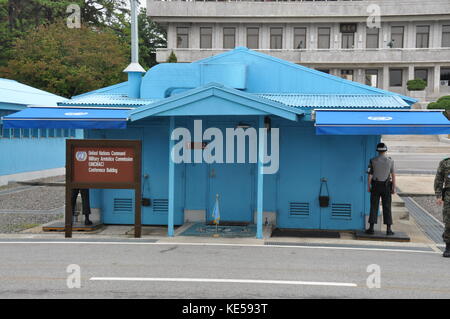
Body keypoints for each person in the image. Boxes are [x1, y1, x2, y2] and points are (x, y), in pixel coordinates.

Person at [366, 143, 396, 235]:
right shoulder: (390, 161)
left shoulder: (372, 160)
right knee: (387, 206)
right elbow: (393, 175)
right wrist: (393, 187)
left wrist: (369, 186)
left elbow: (370, 175)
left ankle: (371, 228)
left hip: (375, 186)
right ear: (385, 150)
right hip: (386, 186)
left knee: (374, 206)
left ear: (377, 151)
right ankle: (388, 229)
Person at [434, 157, 450, 258]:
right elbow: (438, 179)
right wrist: (439, 195)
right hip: (449, 195)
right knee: (448, 221)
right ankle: (448, 246)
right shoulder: (445, 163)